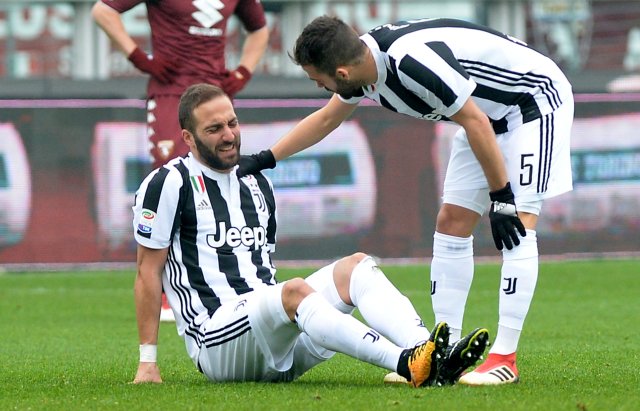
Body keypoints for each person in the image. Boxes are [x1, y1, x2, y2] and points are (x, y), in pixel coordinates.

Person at [237, 16, 574, 386]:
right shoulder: (362, 68)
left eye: (317, 77)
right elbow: (326, 120)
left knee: (518, 224)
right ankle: (443, 356)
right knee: (451, 222)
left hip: (531, 103)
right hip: (483, 120)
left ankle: (504, 359)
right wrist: (266, 158)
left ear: (342, 72)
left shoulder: (410, 62)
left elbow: (474, 121)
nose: (317, 85)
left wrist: (502, 197)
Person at [130, 83, 490, 386]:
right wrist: (148, 361)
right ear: (188, 138)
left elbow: (263, 266)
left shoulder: (256, 183)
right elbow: (148, 272)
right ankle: (407, 364)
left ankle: (430, 353)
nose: (228, 136)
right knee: (294, 291)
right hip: (217, 343)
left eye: (232, 123)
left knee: (357, 267)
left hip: (275, 334)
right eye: (214, 129)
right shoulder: (168, 183)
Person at [92, 0, 269, 321]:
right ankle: (163, 293)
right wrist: (139, 57)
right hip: (170, 94)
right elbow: (102, 11)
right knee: (168, 188)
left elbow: (258, 28)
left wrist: (244, 70)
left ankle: (221, 285)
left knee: (219, 188)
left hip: (213, 97)